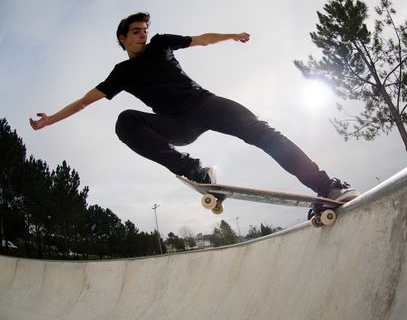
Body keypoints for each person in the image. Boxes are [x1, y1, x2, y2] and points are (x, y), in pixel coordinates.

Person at [30, 12, 359, 201]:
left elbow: (201, 39)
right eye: (135, 32)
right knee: (125, 121)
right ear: (122, 38)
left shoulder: (161, 43)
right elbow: (86, 101)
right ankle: (194, 170)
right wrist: (50, 121)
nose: (143, 35)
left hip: (206, 104)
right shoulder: (121, 74)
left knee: (262, 133)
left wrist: (232, 35)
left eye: (144, 30)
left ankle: (325, 186)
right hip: (177, 125)